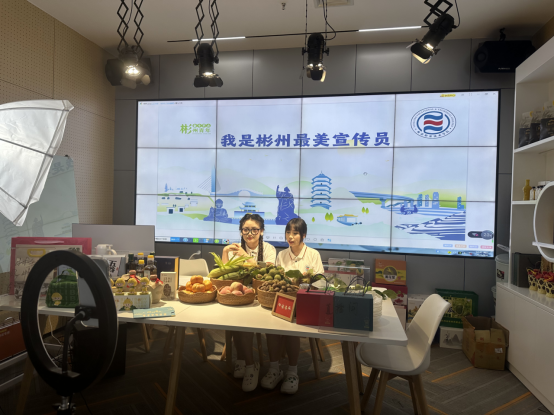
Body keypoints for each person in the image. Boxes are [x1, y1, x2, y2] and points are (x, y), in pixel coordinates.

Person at [261, 217, 324, 395]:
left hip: (304, 303)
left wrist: (304, 281)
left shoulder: (313, 254)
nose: (290, 236)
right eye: (288, 232)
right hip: (283, 301)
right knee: (271, 327)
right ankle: (274, 369)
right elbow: (276, 281)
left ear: (303, 235)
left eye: (295, 233)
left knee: (291, 328)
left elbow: (320, 282)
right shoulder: (281, 255)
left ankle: (292, 372)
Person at [221, 214, 276, 392]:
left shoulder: (269, 249)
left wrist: (244, 256)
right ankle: (246, 362)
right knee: (238, 322)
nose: (249, 234)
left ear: (261, 231)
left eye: (254, 230)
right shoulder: (235, 249)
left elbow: (267, 270)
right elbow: (225, 273)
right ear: (241, 231)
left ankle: (249, 363)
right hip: (241, 294)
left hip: (263, 296)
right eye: (246, 230)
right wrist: (225, 252)